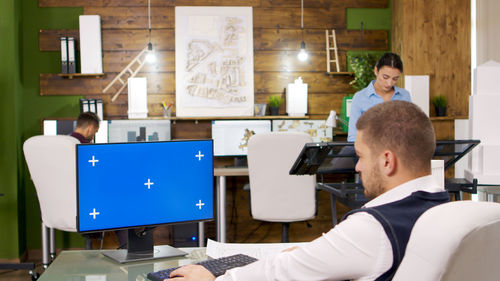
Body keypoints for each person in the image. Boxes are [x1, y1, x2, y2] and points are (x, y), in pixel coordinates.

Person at [166, 101, 449, 281]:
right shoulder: (445, 208)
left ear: (387, 160)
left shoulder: (374, 227)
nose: (357, 167)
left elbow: (283, 272)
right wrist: (314, 252)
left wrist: (213, 279)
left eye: (360, 156)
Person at [347, 52, 411, 142]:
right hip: (369, 152)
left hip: (398, 151)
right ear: (376, 71)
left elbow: (409, 130)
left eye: (395, 79)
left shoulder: (404, 96)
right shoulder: (360, 97)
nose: (389, 83)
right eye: (385, 77)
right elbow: (353, 138)